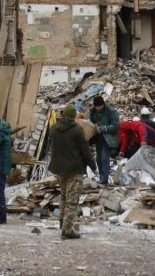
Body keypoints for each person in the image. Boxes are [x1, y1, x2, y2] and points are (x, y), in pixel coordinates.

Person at [49, 104, 96, 239]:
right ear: (74, 116)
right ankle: (67, 230)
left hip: (59, 169)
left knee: (63, 197)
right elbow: (85, 151)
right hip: (74, 169)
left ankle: (62, 223)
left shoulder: (54, 129)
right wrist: (92, 166)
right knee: (72, 200)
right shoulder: (77, 130)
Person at [88, 96, 119, 185]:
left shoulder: (111, 111)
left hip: (108, 139)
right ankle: (102, 176)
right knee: (98, 159)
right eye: (96, 107)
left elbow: (116, 126)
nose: (98, 109)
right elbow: (90, 122)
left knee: (104, 158)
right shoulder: (92, 111)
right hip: (98, 138)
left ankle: (105, 178)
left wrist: (103, 128)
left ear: (103, 104)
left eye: (99, 107)